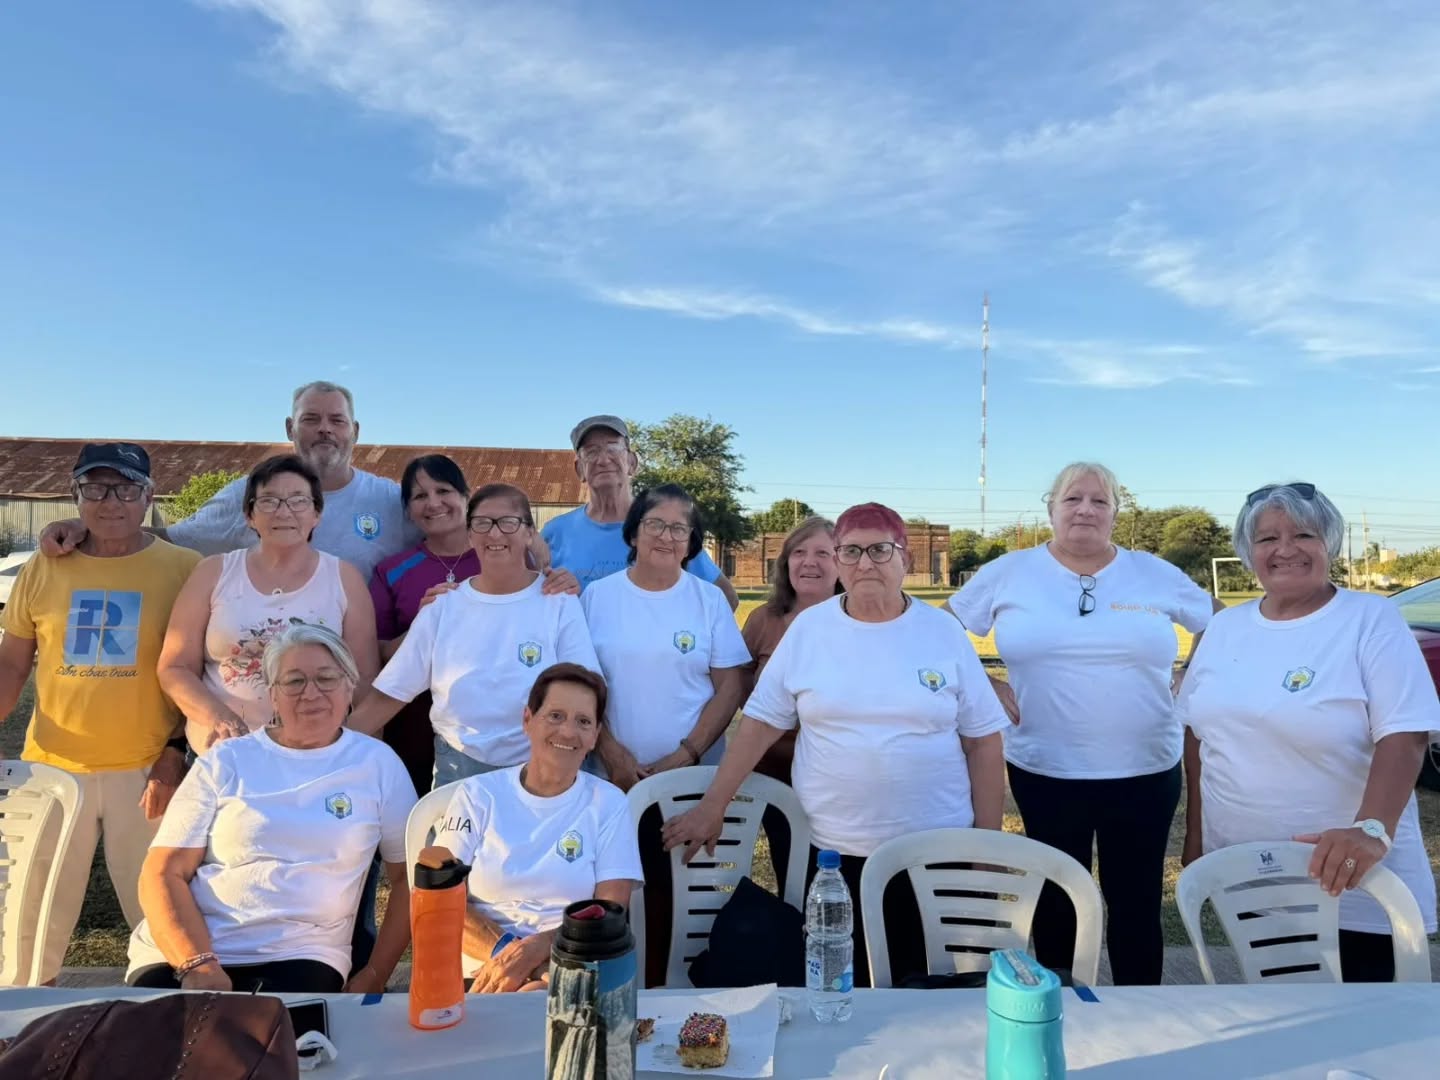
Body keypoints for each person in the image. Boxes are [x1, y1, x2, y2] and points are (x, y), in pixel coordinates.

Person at [662, 502, 1007, 988]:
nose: (865, 563)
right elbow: (759, 723)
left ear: (905, 558)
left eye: (880, 550)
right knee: (841, 985)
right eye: (852, 551)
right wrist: (713, 804)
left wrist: (986, 846)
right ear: (840, 561)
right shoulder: (809, 630)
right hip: (833, 855)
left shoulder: (942, 632)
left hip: (933, 851)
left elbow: (983, 742)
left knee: (929, 992)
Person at [946, 462, 1219, 986]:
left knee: (1136, 902)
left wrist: (1193, 672)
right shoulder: (1010, 572)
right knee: (1056, 900)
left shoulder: (1152, 572)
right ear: (1051, 508)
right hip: (1045, 769)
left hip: (1145, 769)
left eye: (1100, 501)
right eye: (1073, 499)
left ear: (1116, 512)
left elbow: (1222, 620)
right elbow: (942, 626)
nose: (1086, 510)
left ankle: (1139, 1010)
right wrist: (982, 682)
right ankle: (1062, 1009)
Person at [1177, 482, 1438, 982]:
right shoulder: (1224, 628)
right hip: (1248, 870)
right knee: (1281, 1005)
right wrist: (1197, 837)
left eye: (1303, 535)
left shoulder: (1369, 618)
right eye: (1267, 538)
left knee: (1367, 1020)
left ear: (1329, 545)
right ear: (1248, 552)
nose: (1286, 549)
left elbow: (1404, 735)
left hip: (1350, 879)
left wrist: (1371, 830)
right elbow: (1198, 735)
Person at [0, 443, 200, 984]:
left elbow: (199, 672)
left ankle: (169, 1013)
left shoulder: (186, 569)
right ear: (76, 495)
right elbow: (11, 667)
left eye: (126, 489)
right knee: (30, 919)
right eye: (95, 488)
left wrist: (174, 754)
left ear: (149, 497)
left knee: (162, 915)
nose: (110, 501)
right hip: (51, 768)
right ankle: (26, 1015)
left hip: (147, 772)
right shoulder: (43, 566)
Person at [126, 625, 415, 993]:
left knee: (265, 1028)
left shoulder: (377, 764)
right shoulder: (226, 760)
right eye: (294, 681)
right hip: (185, 952)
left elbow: (410, 878)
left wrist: (374, 975)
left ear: (349, 686)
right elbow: (163, 872)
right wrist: (198, 964)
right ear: (273, 695)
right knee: (156, 1029)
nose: (311, 693)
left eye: (326, 678)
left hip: (301, 953)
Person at [351, 483, 598, 788]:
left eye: (508, 522)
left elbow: (585, 688)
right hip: (458, 767)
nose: (494, 534)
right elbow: (391, 692)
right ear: (470, 536)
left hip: (541, 766)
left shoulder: (559, 602)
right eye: (482, 523)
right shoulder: (442, 606)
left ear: (529, 533)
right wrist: (324, 750)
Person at [40, 381, 420, 578]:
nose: (325, 429)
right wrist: (91, 526)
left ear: (355, 431)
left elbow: (443, 542)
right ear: (290, 428)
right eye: (311, 419)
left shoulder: (391, 500)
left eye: (337, 420)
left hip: (362, 675)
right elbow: (173, 538)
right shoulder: (248, 493)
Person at [432, 662, 643, 992]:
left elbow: (609, 911)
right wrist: (511, 956)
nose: (568, 732)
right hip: (482, 970)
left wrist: (537, 950)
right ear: (528, 720)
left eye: (583, 721)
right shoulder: (478, 795)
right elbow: (438, 898)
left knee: (538, 998)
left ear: (595, 737)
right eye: (555, 716)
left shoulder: (608, 803)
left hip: (571, 964)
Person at [157, 454, 379, 754]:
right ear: (249, 515)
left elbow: (364, 679)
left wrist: (357, 753)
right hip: (224, 755)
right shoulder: (213, 572)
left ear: (317, 514)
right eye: (269, 501)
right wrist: (220, 719)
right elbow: (175, 667)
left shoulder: (345, 578)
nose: (284, 512)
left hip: (314, 756)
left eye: (298, 500)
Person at [579, 483, 750, 791]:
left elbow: (730, 688)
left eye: (678, 529)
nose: (666, 536)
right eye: (654, 524)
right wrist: (611, 754)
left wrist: (686, 755)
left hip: (692, 778)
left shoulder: (710, 600)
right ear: (633, 534)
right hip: (608, 776)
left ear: (690, 543)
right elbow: (577, 685)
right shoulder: (596, 596)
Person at [541, 415, 739, 608]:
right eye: (591, 452)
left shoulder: (666, 529)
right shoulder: (555, 532)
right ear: (579, 469)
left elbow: (726, 598)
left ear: (632, 462)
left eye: (613, 448)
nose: (603, 460)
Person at [739, 516, 840, 891]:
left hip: (839, 777)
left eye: (823, 553)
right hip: (776, 773)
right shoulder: (763, 621)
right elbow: (739, 685)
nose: (809, 562)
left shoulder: (859, 622)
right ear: (786, 563)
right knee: (792, 874)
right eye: (799, 552)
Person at [368, 455, 479, 795]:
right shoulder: (392, 571)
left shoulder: (501, 556)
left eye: (443, 490)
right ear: (408, 510)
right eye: (419, 496)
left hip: (483, 729)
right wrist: (422, 625)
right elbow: (380, 651)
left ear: (466, 496)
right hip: (413, 724)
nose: (433, 503)